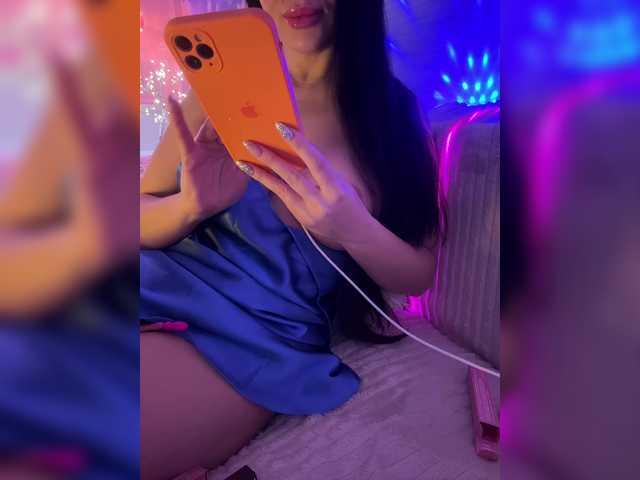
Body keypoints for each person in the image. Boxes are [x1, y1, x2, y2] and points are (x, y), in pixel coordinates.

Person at [139, 1, 443, 478]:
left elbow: (419, 273)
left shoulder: (394, 116)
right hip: (151, 281)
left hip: (252, 337)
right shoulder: (216, 90)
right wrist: (188, 207)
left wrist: (354, 230)